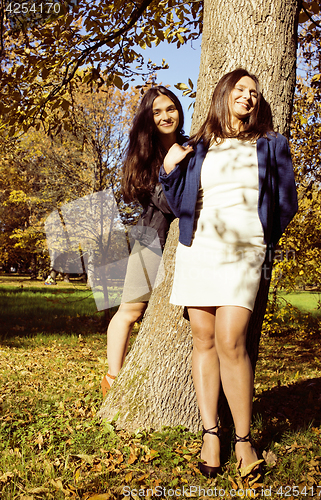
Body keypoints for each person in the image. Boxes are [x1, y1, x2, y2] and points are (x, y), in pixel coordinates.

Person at [160, 68, 298, 478]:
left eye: (254, 93)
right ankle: (210, 434)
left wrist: (259, 235)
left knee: (230, 340)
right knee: (203, 339)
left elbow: (286, 201)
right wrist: (169, 169)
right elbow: (175, 201)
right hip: (199, 247)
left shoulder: (271, 143)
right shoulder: (199, 145)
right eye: (240, 90)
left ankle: (243, 439)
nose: (248, 97)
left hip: (244, 250)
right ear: (224, 95)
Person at [101, 86, 186, 397]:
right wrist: (168, 168)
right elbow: (168, 205)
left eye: (171, 108)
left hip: (184, 243)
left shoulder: (191, 147)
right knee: (130, 310)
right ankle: (112, 379)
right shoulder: (145, 156)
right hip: (150, 241)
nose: (166, 116)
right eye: (157, 112)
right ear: (148, 120)